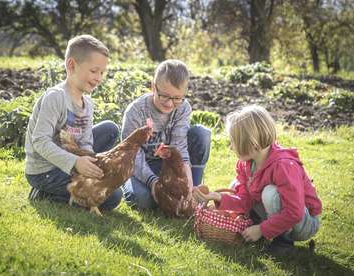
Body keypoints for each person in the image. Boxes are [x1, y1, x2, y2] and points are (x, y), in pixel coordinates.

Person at [193, 105, 322, 255]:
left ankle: (284, 241)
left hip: (303, 222)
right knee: (236, 185)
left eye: (233, 142)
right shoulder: (246, 164)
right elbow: (245, 200)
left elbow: (294, 212)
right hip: (283, 214)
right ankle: (256, 226)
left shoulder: (284, 166)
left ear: (253, 145)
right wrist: (218, 197)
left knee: (270, 193)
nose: (230, 147)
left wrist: (262, 230)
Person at [25, 34, 122, 211]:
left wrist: (90, 166)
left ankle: (64, 190)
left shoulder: (88, 104)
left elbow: (85, 142)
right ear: (71, 65)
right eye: (94, 71)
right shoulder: (56, 97)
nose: (99, 78)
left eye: (102, 73)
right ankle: (44, 193)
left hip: (69, 158)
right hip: (44, 170)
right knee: (113, 197)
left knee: (110, 129)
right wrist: (75, 163)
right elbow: (39, 141)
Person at [121, 59, 211, 210]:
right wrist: (154, 183)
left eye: (176, 98)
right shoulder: (135, 111)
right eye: (164, 96)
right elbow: (132, 154)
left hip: (166, 166)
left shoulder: (183, 108)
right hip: (138, 165)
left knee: (201, 134)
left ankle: (194, 191)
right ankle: (131, 186)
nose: (170, 103)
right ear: (153, 87)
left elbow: (180, 147)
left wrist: (187, 185)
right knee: (144, 201)